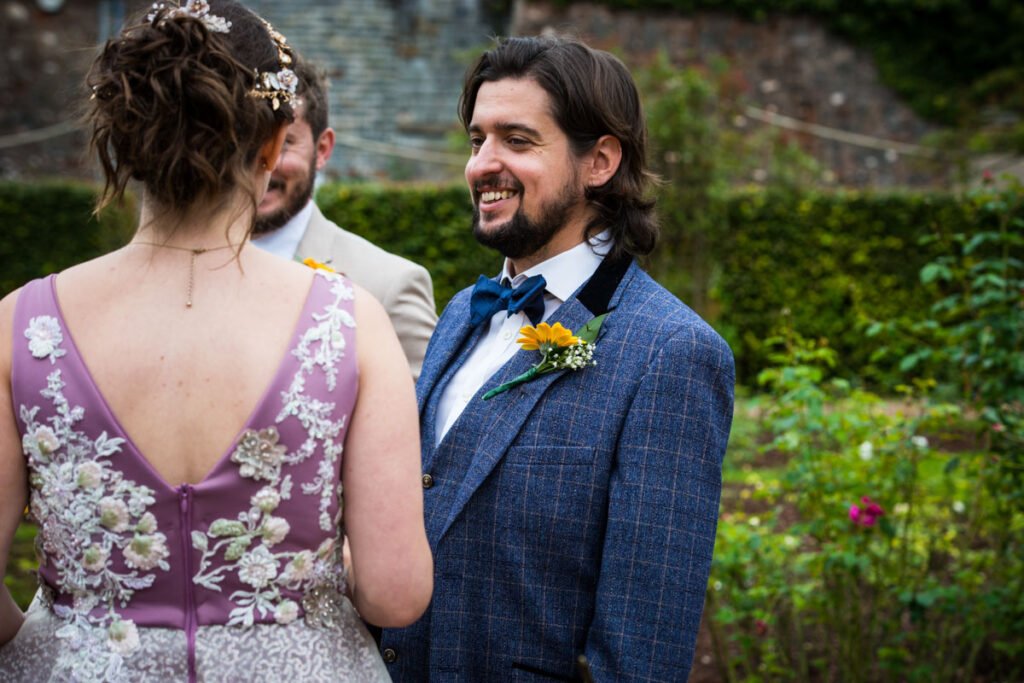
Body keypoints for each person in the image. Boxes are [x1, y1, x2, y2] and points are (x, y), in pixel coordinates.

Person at [0, 2, 432, 681]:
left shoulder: (20, 324)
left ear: (123, 143)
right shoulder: (349, 322)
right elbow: (395, 592)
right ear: (271, 143)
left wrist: (54, 638)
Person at [380, 35, 735, 681]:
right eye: (476, 139)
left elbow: (644, 641)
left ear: (599, 160)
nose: (482, 164)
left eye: (517, 140)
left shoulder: (673, 353)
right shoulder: (462, 311)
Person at [252, 57, 437, 380]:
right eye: (244, 142)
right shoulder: (188, 270)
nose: (262, 163)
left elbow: (425, 425)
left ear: (322, 149)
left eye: (282, 143)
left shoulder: (391, 285)